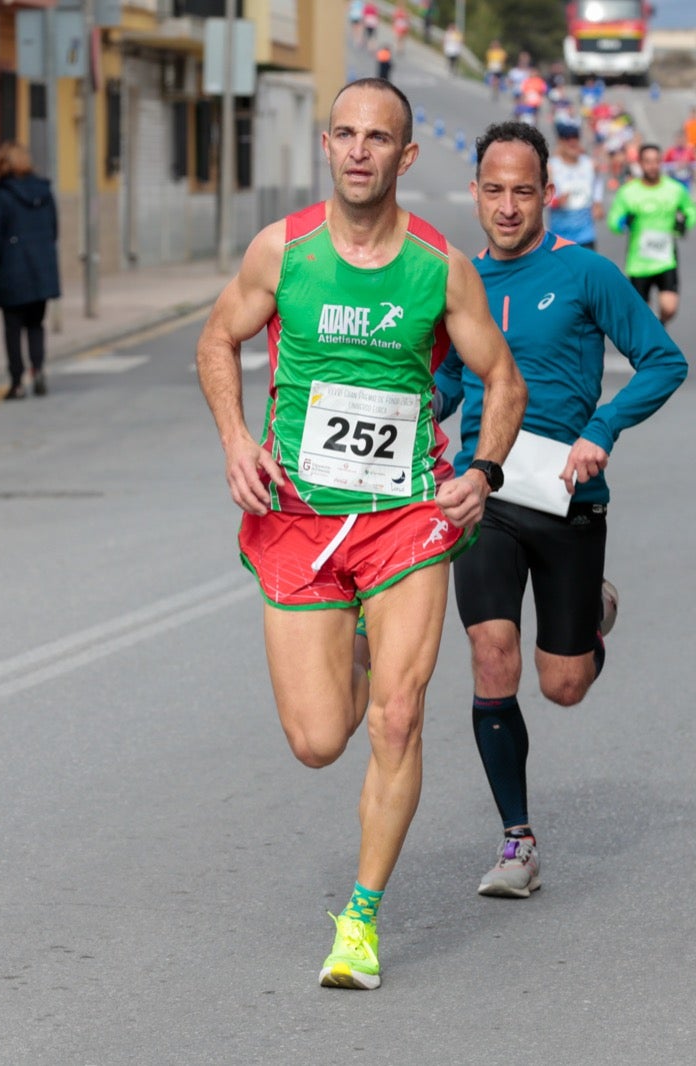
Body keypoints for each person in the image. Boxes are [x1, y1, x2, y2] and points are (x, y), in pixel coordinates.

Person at [194, 78, 527, 991]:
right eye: (344, 133)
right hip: (300, 519)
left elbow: (502, 380)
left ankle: (362, 919)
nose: (358, 150)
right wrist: (233, 439)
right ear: (328, 145)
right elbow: (217, 340)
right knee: (316, 740)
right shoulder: (284, 251)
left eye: (378, 137)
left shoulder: (439, 267)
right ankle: (362, 648)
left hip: (405, 519)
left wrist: (483, 472)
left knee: (400, 713)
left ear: (405, 157)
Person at [434, 121, 686, 899]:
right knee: (491, 655)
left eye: (524, 191)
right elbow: (447, 388)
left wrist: (599, 430)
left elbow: (663, 360)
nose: (508, 207)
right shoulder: (456, 284)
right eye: (494, 190)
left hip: (567, 493)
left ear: (548, 194)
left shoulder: (585, 274)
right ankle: (517, 841)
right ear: (474, 193)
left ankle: (590, 617)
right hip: (487, 494)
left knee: (563, 684)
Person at [0, 142, 61, 400]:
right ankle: (39, 369)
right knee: (36, 325)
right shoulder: (45, 191)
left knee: (12, 329)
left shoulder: (2, 194)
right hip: (41, 270)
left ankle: (17, 382)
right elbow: (54, 230)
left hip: (10, 272)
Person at [607, 142, 696, 323]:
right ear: (640, 164)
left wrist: (684, 222)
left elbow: (691, 211)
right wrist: (624, 222)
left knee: (670, 307)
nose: (652, 166)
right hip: (639, 262)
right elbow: (613, 221)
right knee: (641, 315)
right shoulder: (628, 192)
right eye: (648, 161)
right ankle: (650, 339)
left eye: (656, 161)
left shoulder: (674, 189)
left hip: (666, 259)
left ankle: (660, 325)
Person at [547, 121, 602, 251]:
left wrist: (598, 203)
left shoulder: (590, 164)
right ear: (560, 141)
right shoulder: (551, 167)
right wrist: (557, 202)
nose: (572, 143)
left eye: (575, 138)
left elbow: (598, 182)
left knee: (587, 270)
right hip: (560, 234)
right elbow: (542, 199)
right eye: (567, 139)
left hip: (585, 234)